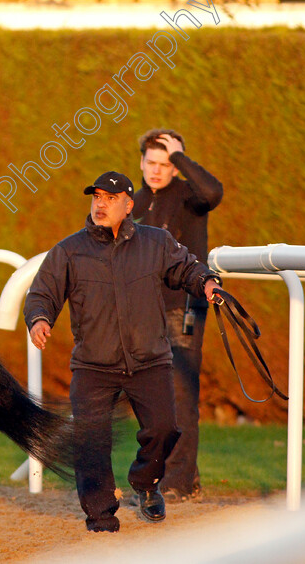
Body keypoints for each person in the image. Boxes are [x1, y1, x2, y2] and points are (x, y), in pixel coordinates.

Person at [24, 171, 221, 533]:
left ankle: (146, 483)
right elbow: (41, 294)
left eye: (110, 198)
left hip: (150, 360)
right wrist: (38, 319)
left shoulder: (157, 242)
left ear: (129, 205)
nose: (100, 204)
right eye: (96, 196)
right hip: (93, 366)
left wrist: (206, 282)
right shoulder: (68, 250)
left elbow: (186, 268)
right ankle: (101, 517)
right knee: (91, 441)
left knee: (164, 429)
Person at [133, 129, 223, 503]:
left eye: (166, 164)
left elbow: (213, 192)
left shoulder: (190, 197)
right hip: (142, 313)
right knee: (148, 399)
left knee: (181, 397)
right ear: (141, 163)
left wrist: (181, 156)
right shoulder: (132, 203)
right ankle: (160, 476)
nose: (157, 170)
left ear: (176, 167)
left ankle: (180, 483)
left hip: (183, 309)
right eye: (151, 162)